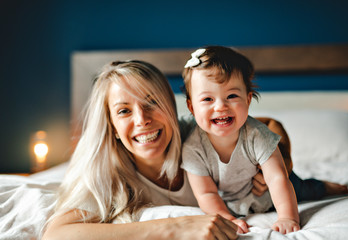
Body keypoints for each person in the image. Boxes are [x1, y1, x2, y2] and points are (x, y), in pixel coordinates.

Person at [42, 60, 239, 240]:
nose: (142, 119)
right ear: (112, 126)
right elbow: (56, 235)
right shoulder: (103, 167)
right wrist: (176, 227)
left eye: (152, 102)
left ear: (171, 106)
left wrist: (266, 162)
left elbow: (264, 127)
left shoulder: (201, 136)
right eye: (124, 111)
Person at [180, 46, 348, 234]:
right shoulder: (192, 148)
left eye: (232, 96)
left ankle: (324, 186)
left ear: (248, 100)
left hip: (271, 191)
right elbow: (206, 193)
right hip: (235, 202)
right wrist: (227, 218)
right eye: (208, 99)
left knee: (305, 189)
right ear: (192, 107)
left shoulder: (257, 134)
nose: (220, 106)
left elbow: (277, 178)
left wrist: (287, 217)